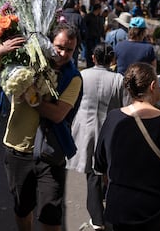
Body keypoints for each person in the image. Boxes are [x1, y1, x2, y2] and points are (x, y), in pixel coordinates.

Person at [0, 23, 82, 231]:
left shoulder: (73, 78)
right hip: (17, 149)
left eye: (69, 49)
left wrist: (31, 96)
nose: (63, 53)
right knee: (22, 207)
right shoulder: (25, 62)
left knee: (50, 214)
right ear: (48, 42)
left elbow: (57, 114)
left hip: (50, 153)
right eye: (59, 46)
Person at [94, 62, 160, 231]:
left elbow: (99, 162)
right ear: (153, 86)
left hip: (118, 209)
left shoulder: (113, 118)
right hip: (155, 213)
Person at [66, 43, 130, 230]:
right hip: (109, 129)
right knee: (104, 172)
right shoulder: (119, 79)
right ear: (112, 59)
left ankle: (97, 217)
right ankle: (102, 214)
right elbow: (126, 107)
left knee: (92, 172)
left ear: (93, 57)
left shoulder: (82, 75)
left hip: (84, 128)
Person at [62, 0, 85, 66]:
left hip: (61, 42)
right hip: (74, 43)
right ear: (73, 6)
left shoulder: (60, 15)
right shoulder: (78, 17)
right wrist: (81, 40)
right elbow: (84, 31)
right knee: (73, 63)